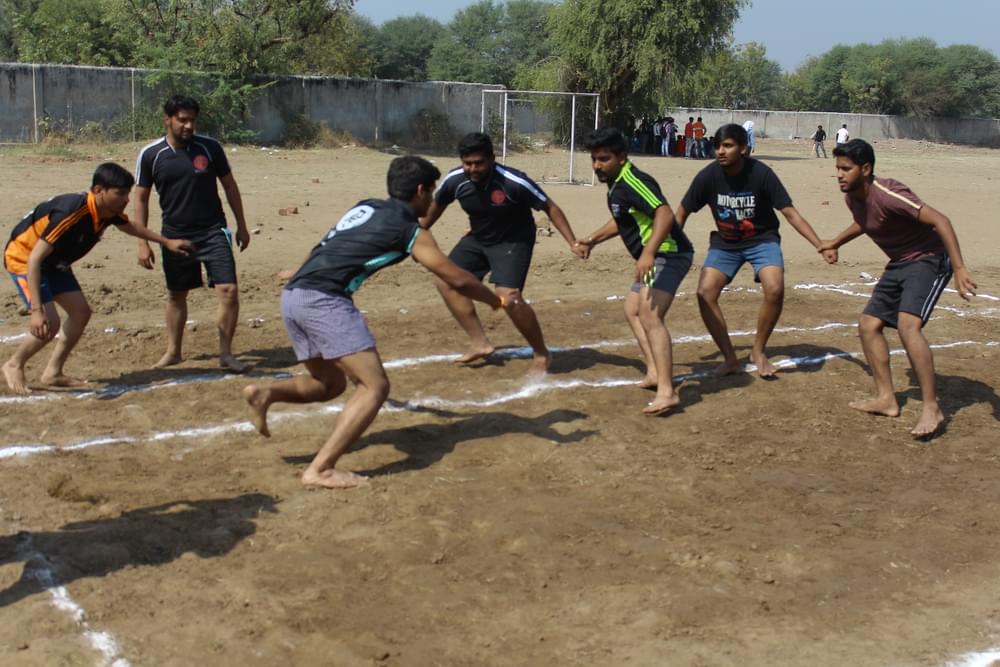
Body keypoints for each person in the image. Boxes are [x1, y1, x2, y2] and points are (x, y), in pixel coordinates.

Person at [243, 156, 507, 489]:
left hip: (295, 296)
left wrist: (299, 271)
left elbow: (327, 243)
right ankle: (321, 469)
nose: (433, 199)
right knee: (375, 386)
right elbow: (454, 276)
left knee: (330, 384)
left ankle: (265, 393)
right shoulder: (412, 230)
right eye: (433, 191)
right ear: (421, 190)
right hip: (325, 300)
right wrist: (495, 300)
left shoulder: (365, 207)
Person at [820, 139, 977, 438]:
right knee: (868, 325)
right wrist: (834, 242)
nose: (839, 174)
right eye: (837, 168)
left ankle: (932, 407)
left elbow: (941, 220)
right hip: (900, 263)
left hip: (928, 259)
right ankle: (886, 399)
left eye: (846, 168)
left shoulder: (889, 193)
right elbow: (865, 222)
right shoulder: (852, 197)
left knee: (908, 326)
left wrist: (959, 268)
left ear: (865, 169)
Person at [3, 163, 193, 394]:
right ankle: (14, 364)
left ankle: (53, 372)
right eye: (120, 193)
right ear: (98, 190)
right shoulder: (72, 213)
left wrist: (166, 242)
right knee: (48, 322)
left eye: (127, 193)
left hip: (55, 262)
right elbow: (34, 259)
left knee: (81, 312)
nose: (125, 199)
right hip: (25, 259)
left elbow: (129, 226)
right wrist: (36, 310)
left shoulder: (107, 212)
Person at [673, 123, 832, 378]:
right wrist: (671, 248)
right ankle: (730, 359)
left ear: (743, 148)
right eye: (717, 146)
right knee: (705, 293)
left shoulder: (762, 174)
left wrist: (820, 244)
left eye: (727, 145)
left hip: (762, 240)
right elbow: (681, 213)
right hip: (725, 243)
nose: (720, 151)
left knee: (775, 287)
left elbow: (791, 213)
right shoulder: (708, 176)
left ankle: (758, 351)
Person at [421, 132, 585, 374]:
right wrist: (419, 230)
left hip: (514, 241)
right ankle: (480, 342)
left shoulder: (514, 182)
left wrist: (572, 241)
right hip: (478, 237)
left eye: (479, 163)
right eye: (467, 163)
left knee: (509, 297)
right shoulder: (456, 180)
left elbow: (549, 206)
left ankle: (541, 353)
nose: (472, 168)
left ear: (492, 159)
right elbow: (437, 205)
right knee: (445, 281)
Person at [576, 128, 694, 415]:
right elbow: (622, 220)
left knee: (650, 315)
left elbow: (663, 212)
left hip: (669, 253)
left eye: (603, 159)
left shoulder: (632, 180)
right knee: (633, 309)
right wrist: (592, 239)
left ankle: (667, 391)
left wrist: (649, 253)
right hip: (655, 256)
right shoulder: (616, 183)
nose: (597, 166)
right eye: (594, 159)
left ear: (621, 157)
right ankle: (654, 371)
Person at [134, 95, 251, 372]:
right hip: (175, 235)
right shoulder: (151, 155)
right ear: (168, 119)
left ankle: (226, 354)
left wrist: (242, 226)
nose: (188, 126)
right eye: (182, 120)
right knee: (177, 294)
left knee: (229, 290)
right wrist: (143, 242)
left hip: (213, 231)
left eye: (192, 120)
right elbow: (140, 199)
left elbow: (230, 187)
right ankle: (173, 352)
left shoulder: (210, 148)